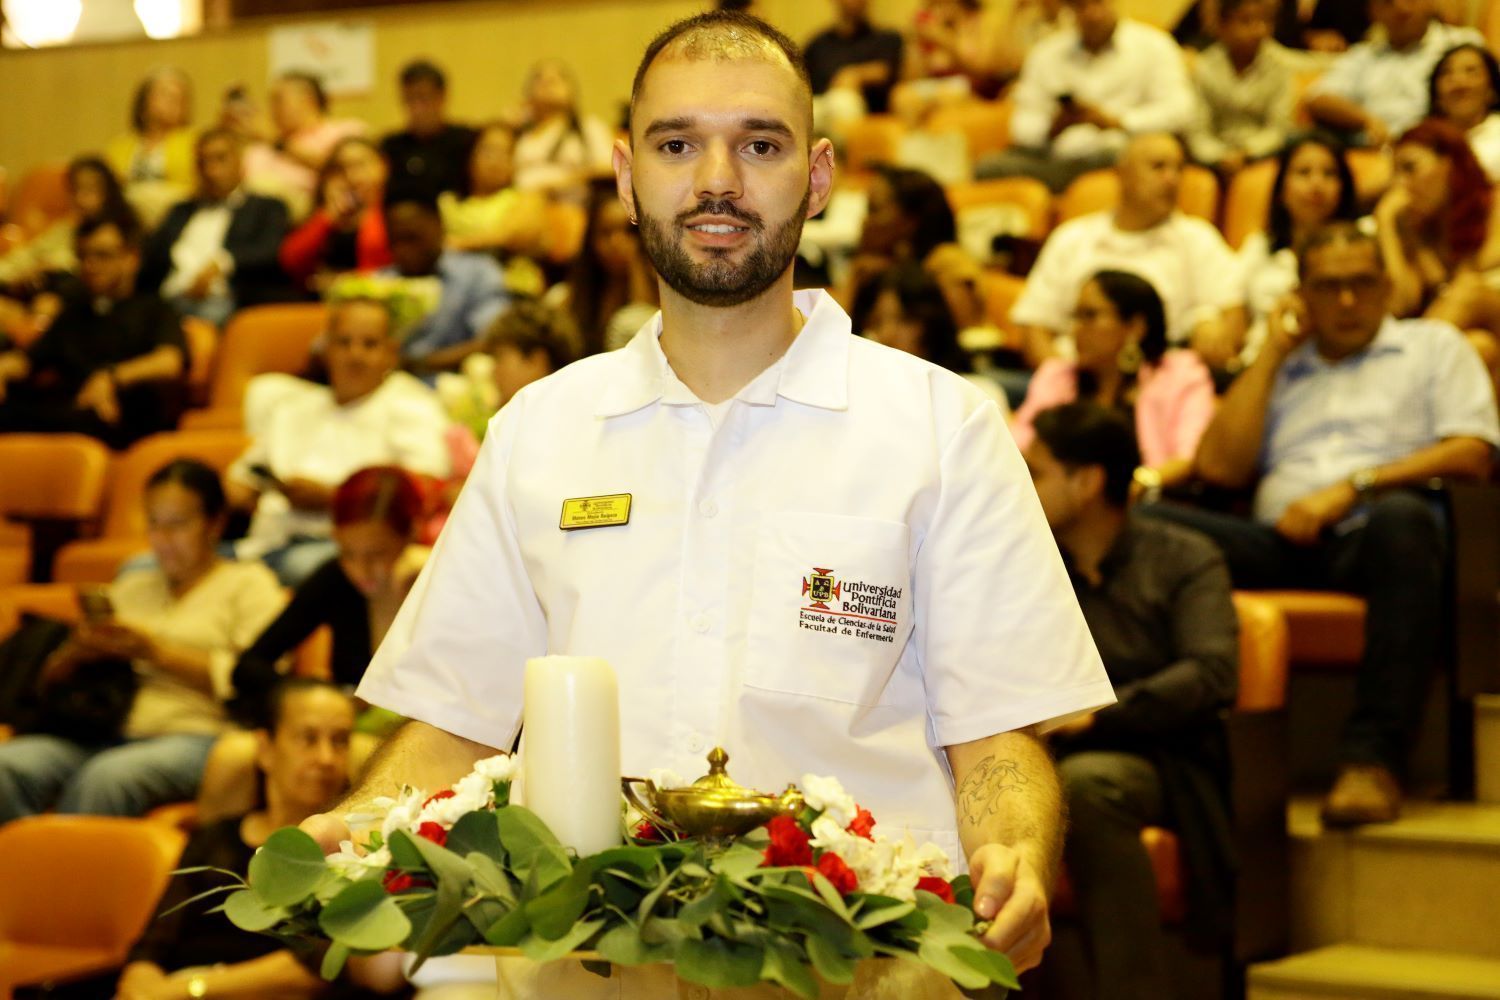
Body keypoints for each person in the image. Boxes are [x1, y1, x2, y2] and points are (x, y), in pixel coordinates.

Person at [306, 12, 1116, 999]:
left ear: (817, 177)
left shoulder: (942, 427)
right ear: (624, 171)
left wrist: (1016, 859)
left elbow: (998, 740)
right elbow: (453, 724)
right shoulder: (540, 429)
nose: (718, 180)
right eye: (678, 143)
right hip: (576, 968)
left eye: (759, 144)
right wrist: (353, 832)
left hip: (866, 967)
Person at [1151, 222, 1500, 826]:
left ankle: (1372, 760)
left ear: (1387, 286)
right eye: (1327, 286)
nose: (1345, 301)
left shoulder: (1433, 347)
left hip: (1383, 539)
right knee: (1153, 531)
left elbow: (1472, 451)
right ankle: (1155, 745)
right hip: (1282, 539)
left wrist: (1354, 487)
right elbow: (1218, 467)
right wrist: (1270, 352)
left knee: (1403, 519)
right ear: (1301, 295)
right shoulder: (1284, 366)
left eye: (1361, 283)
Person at [1025, 402, 1237, 1000]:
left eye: (1035, 470)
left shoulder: (1184, 557)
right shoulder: (1031, 561)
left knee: (1091, 786)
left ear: (1088, 481)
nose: (1019, 484)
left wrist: (1101, 711)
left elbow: (1213, 672)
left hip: (1163, 753)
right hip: (1046, 747)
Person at [0, 460, 285, 823]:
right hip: (101, 727)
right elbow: (54, 682)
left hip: (197, 734)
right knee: (5, 767)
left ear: (215, 524)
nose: (163, 540)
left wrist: (155, 653)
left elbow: (261, 681)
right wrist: (77, 652)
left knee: (108, 778)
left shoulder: (250, 585)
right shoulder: (132, 586)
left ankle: (75, 879)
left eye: (178, 525)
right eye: (154, 523)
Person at [115, 679, 398, 1000]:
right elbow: (154, 943)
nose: (326, 758)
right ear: (266, 749)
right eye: (308, 739)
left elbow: (320, 966)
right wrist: (140, 989)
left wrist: (186, 991)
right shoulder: (215, 836)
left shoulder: (352, 852)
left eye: (340, 741)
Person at [226, 295, 453, 585]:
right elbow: (246, 474)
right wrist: (241, 490)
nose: (354, 355)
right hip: (268, 539)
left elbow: (424, 490)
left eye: (369, 344)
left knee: (291, 569)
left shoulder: (414, 405)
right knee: (154, 566)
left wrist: (333, 500)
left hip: (349, 554)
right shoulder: (294, 407)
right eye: (344, 343)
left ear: (391, 353)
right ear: (325, 349)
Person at [1010, 132, 1247, 370]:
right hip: (1076, 378)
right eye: (1158, 167)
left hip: (1164, 386)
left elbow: (1234, 318)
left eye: (1178, 169)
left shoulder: (1198, 239)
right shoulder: (1071, 238)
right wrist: (1064, 385)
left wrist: (1210, 328)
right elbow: (1034, 329)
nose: (1171, 179)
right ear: (1122, 174)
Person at [1011, 270, 1215, 493]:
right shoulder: (1058, 374)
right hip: (1058, 502)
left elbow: (1190, 455)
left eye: (1090, 315)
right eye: (1076, 316)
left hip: (1152, 504)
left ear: (1135, 327)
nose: (1076, 329)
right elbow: (1019, 444)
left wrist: (1142, 484)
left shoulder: (1181, 375)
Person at [0, 215, 188, 448]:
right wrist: (3, 368)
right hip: (64, 411)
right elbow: (29, 361)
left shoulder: (154, 308)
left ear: (132, 258)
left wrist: (111, 377)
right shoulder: (74, 311)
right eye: (84, 256)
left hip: (121, 418)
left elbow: (169, 361)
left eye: (102, 255)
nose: (91, 266)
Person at [975, 0, 1195, 192]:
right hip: (1057, 159)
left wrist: (1116, 122)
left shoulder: (1154, 45)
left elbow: (1180, 110)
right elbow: (1022, 126)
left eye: (1098, 2)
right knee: (989, 168)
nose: (1092, 13)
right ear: (1067, 9)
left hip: (1120, 152)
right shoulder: (1046, 53)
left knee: (1125, 156)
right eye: (1080, 5)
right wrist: (1054, 127)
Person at [1374, 117, 1500, 379]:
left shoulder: (1495, 199)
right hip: (1478, 334)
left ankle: (1391, 379)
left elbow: (1477, 270)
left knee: (1468, 292)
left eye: (1411, 168)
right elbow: (1401, 304)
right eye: (1396, 173)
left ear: (1449, 164)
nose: (1401, 184)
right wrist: (1387, 226)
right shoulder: (1416, 227)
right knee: (1479, 347)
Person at [140, 128, 292, 325]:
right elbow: (150, 256)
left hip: (223, 302)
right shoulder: (180, 211)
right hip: (168, 301)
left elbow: (269, 250)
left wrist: (221, 263)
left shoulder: (266, 207)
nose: (211, 170)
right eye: (203, 162)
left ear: (240, 162)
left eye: (221, 159)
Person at [1236, 133, 1362, 362]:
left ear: (1344, 187)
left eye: (1329, 174)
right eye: (1303, 173)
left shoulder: (1363, 241)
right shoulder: (1259, 246)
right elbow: (1232, 313)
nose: (1316, 184)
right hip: (1257, 363)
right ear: (1282, 189)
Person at [1303, 0, 1483, 146]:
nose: (1401, 7)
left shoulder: (1461, 43)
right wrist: (1366, 120)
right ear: (1373, 11)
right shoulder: (1363, 56)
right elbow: (1316, 98)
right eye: (1387, 2)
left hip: (1448, 147)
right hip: (1378, 149)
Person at [378, 189, 510, 374]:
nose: (403, 250)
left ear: (438, 226)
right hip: (384, 390)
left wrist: (418, 365)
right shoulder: (380, 283)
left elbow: (495, 340)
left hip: (455, 388)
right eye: (395, 241)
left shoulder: (478, 273)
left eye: (412, 238)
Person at [842, 164, 985, 333]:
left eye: (875, 209)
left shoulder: (948, 261)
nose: (865, 220)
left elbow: (954, 337)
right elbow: (841, 331)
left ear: (911, 219)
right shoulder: (873, 265)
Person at [1185, 0, 1301, 178]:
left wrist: (1247, 153)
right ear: (1223, 26)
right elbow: (1197, 131)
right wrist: (1220, 156)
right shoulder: (1205, 67)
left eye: (1265, 21)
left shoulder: (1280, 66)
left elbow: (1279, 129)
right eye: (1246, 21)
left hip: (1264, 156)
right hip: (1213, 159)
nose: (1259, 30)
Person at [0, 156, 134, 294]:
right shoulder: (67, 228)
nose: (80, 198)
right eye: (75, 190)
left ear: (108, 191)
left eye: (90, 189)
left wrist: (53, 267)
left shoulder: (118, 231)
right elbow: (25, 257)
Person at [279, 137, 393, 295]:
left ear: (383, 166)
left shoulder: (395, 209)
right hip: (319, 302)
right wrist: (328, 217)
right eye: (342, 169)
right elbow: (291, 262)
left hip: (375, 298)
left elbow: (387, 269)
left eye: (360, 164)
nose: (352, 175)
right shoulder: (327, 213)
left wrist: (345, 282)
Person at [243, 72, 367, 211]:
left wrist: (280, 145)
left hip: (316, 212)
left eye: (278, 100)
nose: (272, 108)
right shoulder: (260, 148)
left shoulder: (345, 132)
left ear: (308, 100)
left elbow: (340, 168)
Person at [509, 59, 616, 202]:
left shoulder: (588, 127)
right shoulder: (520, 134)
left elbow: (608, 170)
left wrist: (561, 184)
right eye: (539, 78)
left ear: (571, 91)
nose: (547, 82)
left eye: (557, 78)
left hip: (572, 208)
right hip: (517, 205)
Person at [439, 123, 550, 259]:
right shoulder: (447, 201)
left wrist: (459, 244)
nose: (495, 162)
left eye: (505, 153)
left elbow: (516, 234)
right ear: (470, 156)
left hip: (509, 277)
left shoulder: (526, 198)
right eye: (488, 152)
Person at [106, 67, 197, 226]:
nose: (173, 101)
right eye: (166, 94)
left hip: (173, 219)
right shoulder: (120, 146)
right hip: (127, 221)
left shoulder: (195, 142)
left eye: (180, 98)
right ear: (143, 101)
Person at [380, 59, 478, 201]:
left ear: (442, 97)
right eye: (409, 98)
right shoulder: (391, 146)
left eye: (423, 98)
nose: (417, 108)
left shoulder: (466, 141)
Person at [804, 0, 905, 126]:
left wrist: (854, 75)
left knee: (842, 102)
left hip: (861, 110)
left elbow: (883, 70)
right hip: (819, 107)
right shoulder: (817, 45)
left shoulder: (886, 39)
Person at [1430, 43, 1500, 184]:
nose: (1459, 83)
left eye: (1471, 71)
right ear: (1436, 96)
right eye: (1447, 73)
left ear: (1492, 90)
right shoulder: (1422, 137)